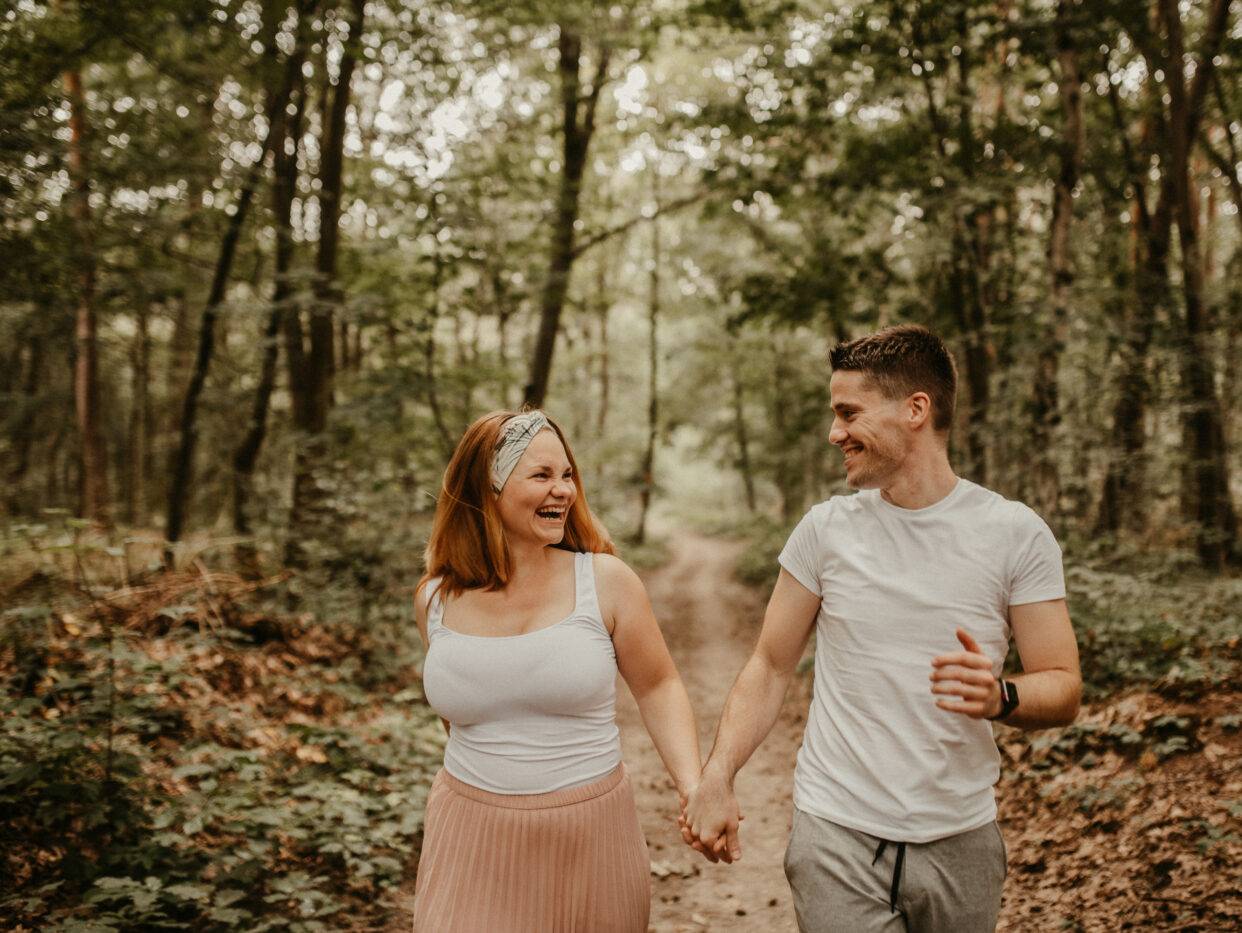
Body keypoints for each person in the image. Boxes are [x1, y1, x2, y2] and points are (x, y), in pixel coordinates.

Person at [682, 324, 1082, 932]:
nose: (833, 433)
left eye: (848, 413)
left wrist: (1002, 696)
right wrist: (718, 774)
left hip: (961, 839)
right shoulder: (824, 531)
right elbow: (769, 665)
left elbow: (1062, 685)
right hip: (835, 834)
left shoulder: (1015, 534)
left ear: (915, 409)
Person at [412, 409, 702, 933]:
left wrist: (693, 785)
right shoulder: (435, 599)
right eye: (541, 476)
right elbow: (464, 717)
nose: (563, 490)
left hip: (589, 835)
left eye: (567, 475)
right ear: (488, 489)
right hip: (470, 834)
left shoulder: (606, 581)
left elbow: (659, 686)